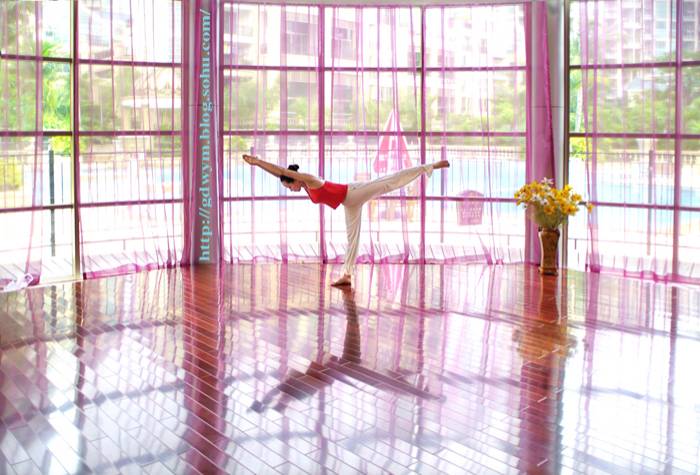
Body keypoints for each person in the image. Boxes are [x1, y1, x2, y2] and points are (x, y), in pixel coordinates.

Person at [242, 153, 449, 286]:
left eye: (290, 186)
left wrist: (258, 162)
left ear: (295, 179)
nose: (291, 189)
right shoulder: (305, 187)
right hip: (348, 203)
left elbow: (280, 171)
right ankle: (347, 275)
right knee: (352, 240)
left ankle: (430, 166)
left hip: (353, 192)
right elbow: (282, 175)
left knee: (389, 182)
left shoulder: (309, 179)